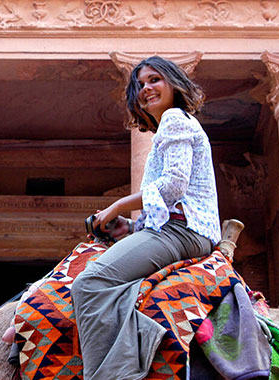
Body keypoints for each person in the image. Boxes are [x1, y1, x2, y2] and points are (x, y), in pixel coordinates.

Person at [70, 56, 221, 380]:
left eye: (154, 79)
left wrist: (116, 207)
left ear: (172, 82)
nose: (146, 88)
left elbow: (174, 184)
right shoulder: (168, 127)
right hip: (178, 228)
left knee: (90, 283)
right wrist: (131, 227)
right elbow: (175, 197)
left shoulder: (175, 119)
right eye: (140, 84)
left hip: (184, 231)